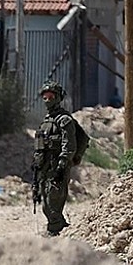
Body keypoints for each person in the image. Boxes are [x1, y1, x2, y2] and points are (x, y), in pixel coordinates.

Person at [32, 81, 76, 236]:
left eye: (51, 96)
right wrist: (37, 163)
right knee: (45, 202)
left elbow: (69, 143)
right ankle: (61, 228)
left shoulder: (64, 120)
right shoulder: (46, 121)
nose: (47, 100)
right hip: (45, 167)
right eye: (45, 97)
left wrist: (63, 163)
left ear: (58, 98)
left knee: (53, 201)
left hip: (58, 166)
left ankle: (55, 230)